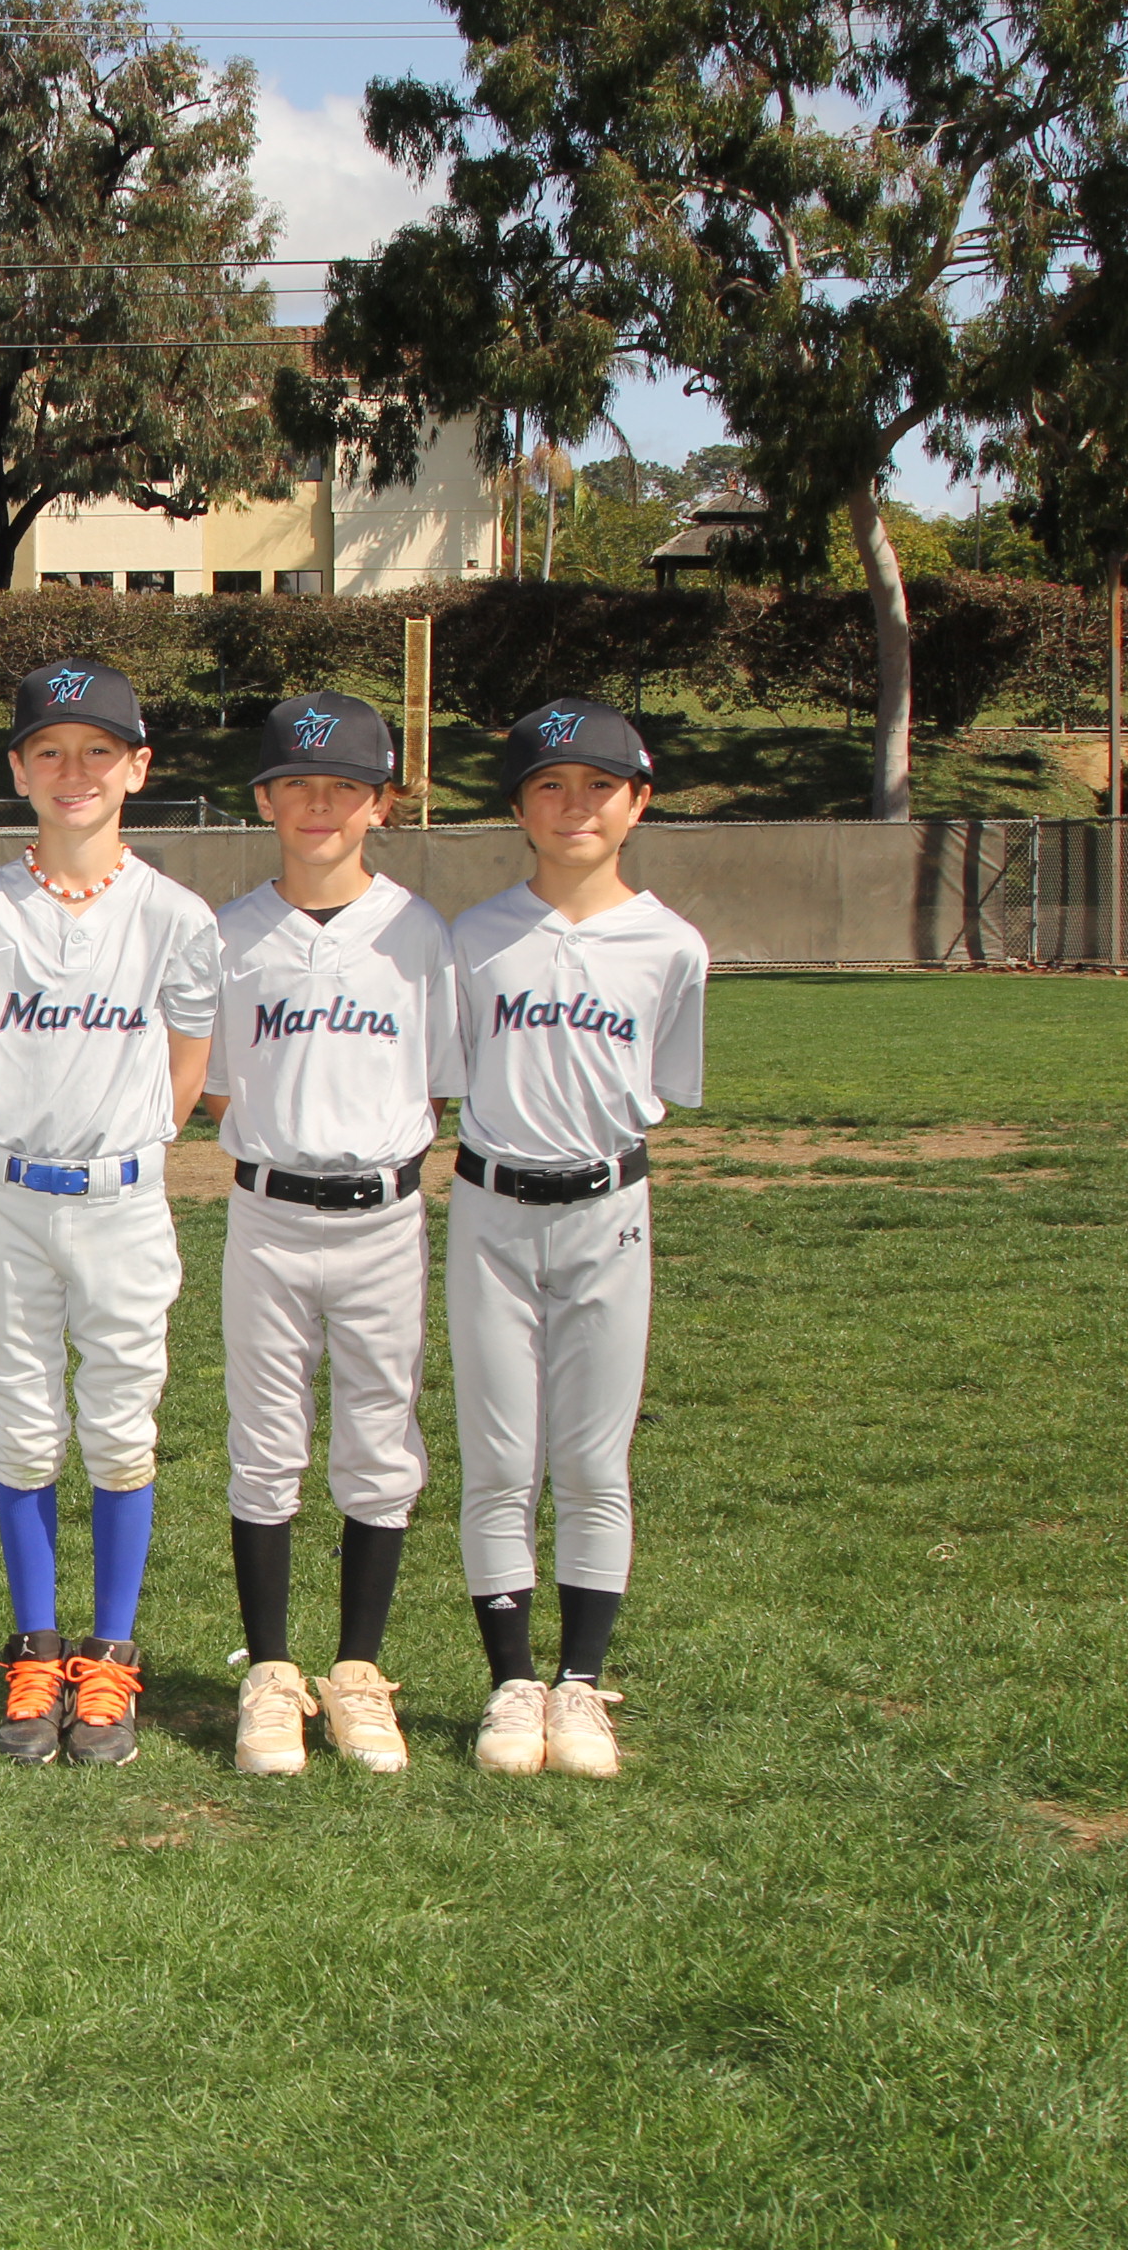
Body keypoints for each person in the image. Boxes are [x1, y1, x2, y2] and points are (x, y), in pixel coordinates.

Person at [0, 661, 219, 1767]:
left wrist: (127, 1151)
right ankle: (35, 1651)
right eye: (49, 751)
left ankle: (108, 1659)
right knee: (20, 1421)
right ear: (17, 769)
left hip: (121, 1202)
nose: (74, 771)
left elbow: (188, 1064)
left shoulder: (176, 915)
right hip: (11, 1198)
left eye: (99, 751)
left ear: (137, 767)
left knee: (118, 1426)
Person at [202, 691, 463, 1779]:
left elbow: (435, 1085)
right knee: (264, 1444)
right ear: (265, 799)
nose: (320, 805)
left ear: (381, 804)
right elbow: (217, 1087)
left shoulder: (418, 932)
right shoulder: (230, 935)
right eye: (297, 785)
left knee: (378, 1444)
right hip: (268, 1212)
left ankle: (359, 1671)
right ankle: (270, 1671)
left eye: (344, 787)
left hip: (382, 1216)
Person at [446, 701, 705, 1780]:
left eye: (601, 786)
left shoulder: (672, 946)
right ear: (518, 807)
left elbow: (661, 1087)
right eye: (550, 785)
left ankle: (582, 1685)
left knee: (596, 1459)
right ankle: (512, 1684)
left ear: (638, 802)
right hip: (492, 1210)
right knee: (502, 1457)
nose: (575, 806)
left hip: (609, 1209)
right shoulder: (475, 938)